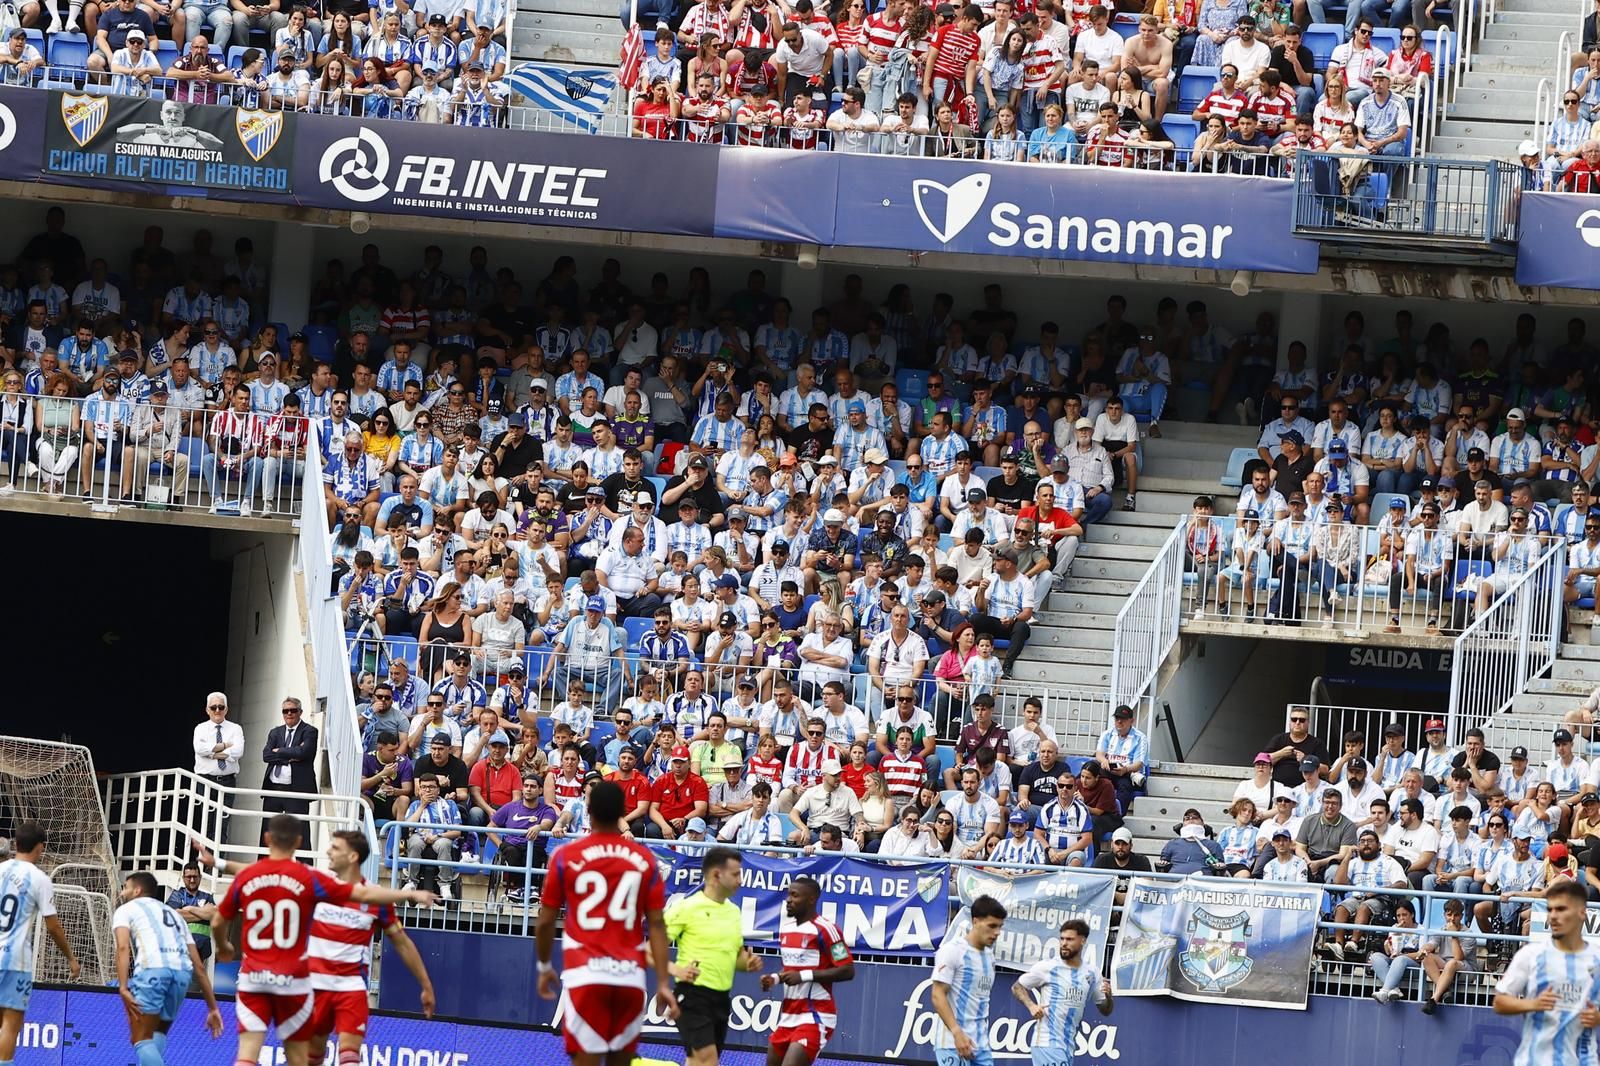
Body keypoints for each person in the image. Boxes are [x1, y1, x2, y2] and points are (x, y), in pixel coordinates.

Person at [210, 815, 429, 1066]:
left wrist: (426, 984)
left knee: (346, 1056)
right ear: (299, 841)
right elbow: (270, 871)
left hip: (348, 986)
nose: (328, 851)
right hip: (309, 984)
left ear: (353, 856)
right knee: (306, 1058)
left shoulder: (331, 887)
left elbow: (399, 939)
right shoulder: (313, 882)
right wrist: (409, 893)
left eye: (335, 848)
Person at [535, 781, 677, 1066]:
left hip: (586, 975)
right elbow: (658, 926)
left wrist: (544, 965)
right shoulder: (644, 860)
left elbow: (546, 920)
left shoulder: (566, 856)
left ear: (588, 811)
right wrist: (663, 981)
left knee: (584, 1060)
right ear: (623, 813)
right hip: (628, 977)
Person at [665, 846, 765, 1066]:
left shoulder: (733, 911)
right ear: (716, 875)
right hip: (691, 995)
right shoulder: (686, 907)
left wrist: (747, 963)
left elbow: (736, 957)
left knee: (697, 1061)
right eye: (736, 874)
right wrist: (676, 970)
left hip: (721, 999)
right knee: (708, 1061)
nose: (741, 880)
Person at [113, 870, 223, 1066]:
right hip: (181, 976)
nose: (123, 893)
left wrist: (122, 987)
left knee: (140, 1038)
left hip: (153, 971)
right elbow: (198, 964)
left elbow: (122, 948)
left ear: (137, 891)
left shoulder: (126, 909)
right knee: (157, 1033)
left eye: (126, 888)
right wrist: (213, 1007)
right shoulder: (173, 915)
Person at [1494, 879, 1600, 1064]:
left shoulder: (1596, 959)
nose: (1553, 916)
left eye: (1561, 909)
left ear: (1582, 913)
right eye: (1550, 909)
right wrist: (1533, 1004)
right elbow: (1500, 1002)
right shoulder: (1531, 954)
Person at [0, 823, 78, 1066]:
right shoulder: (39, 879)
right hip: (15, 961)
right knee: (10, 1026)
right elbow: (53, 926)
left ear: (15, 844)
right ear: (41, 847)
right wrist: (71, 958)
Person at [760, 876, 855, 1066]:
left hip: (816, 1015)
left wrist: (803, 976)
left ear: (811, 899)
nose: (788, 900)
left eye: (795, 896)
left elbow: (847, 970)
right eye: (788, 895)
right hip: (788, 1015)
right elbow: (791, 970)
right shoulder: (786, 929)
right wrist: (774, 979)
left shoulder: (827, 929)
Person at [1012, 919, 1112, 1066]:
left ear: (1083, 940)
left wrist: (1109, 997)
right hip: (1047, 1043)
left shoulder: (1092, 973)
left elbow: (1105, 1010)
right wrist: (1031, 1006)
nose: (1064, 943)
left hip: (1068, 1046)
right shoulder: (1048, 967)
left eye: (1070, 939)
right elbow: (1017, 987)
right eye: (1062, 938)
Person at [931, 894, 1007, 1066]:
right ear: (975, 922)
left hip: (980, 1046)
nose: (997, 933)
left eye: (1000, 927)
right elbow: (937, 995)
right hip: (952, 1043)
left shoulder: (989, 956)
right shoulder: (952, 951)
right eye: (992, 926)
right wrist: (957, 1033)